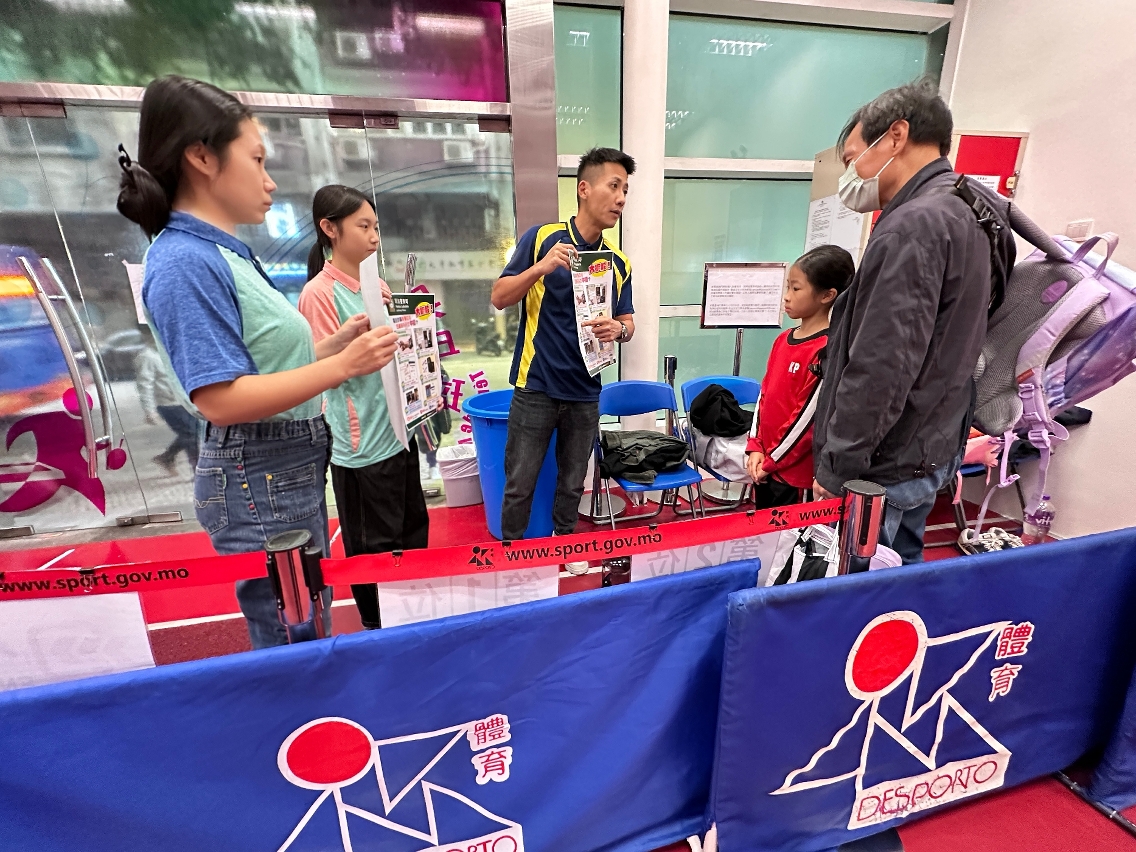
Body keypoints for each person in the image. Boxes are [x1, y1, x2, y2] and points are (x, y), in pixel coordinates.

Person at [117, 76, 397, 648]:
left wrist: (333, 347)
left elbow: (261, 365)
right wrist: (342, 367)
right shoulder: (184, 261)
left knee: (305, 618)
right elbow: (220, 399)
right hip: (258, 470)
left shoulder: (222, 253)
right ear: (202, 157)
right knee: (292, 628)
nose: (269, 181)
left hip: (280, 463)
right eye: (257, 160)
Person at [811, 79, 1015, 564]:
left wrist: (838, 468)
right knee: (901, 581)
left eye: (853, 158)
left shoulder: (913, 226)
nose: (851, 175)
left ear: (895, 137)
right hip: (930, 443)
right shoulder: (973, 209)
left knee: (863, 591)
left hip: (885, 463)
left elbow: (881, 367)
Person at [297, 185, 429, 631]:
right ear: (330, 229)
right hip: (362, 447)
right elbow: (319, 369)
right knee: (374, 546)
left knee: (412, 531)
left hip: (399, 431)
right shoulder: (319, 294)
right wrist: (353, 344)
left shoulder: (378, 287)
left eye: (376, 227)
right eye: (364, 226)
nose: (374, 236)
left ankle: (412, 614)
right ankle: (378, 627)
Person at [491, 147, 636, 551]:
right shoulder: (543, 238)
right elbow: (499, 296)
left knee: (573, 482)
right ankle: (513, 553)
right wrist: (541, 267)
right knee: (520, 481)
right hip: (536, 386)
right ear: (584, 189)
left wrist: (619, 330)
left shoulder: (618, 262)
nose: (621, 198)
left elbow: (628, 323)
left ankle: (565, 543)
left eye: (625, 190)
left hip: (585, 391)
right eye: (614, 186)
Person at [746, 245, 854, 508]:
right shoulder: (783, 340)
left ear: (827, 295)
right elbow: (764, 395)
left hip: (792, 475)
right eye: (788, 287)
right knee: (762, 529)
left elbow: (807, 420)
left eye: (796, 289)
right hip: (766, 463)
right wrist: (755, 446)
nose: (786, 297)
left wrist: (772, 461)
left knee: (790, 534)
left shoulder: (826, 350)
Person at [135, 334, 200, 476]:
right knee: (190, 435)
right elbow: (144, 384)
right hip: (168, 404)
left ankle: (167, 457)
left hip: (186, 401)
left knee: (193, 433)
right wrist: (149, 410)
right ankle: (198, 471)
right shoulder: (148, 357)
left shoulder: (174, 351)